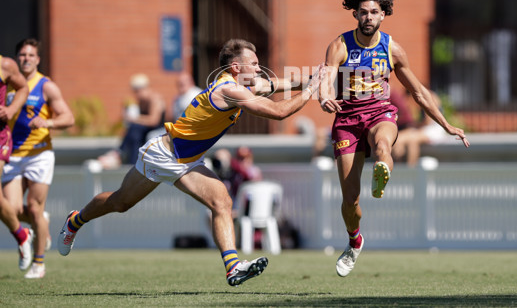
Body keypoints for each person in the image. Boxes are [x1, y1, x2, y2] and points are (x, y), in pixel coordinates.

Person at [57, 38, 324, 287]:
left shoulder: (240, 83)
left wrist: (316, 77)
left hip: (189, 160)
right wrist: (313, 88)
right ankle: (75, 221)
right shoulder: (229, 90)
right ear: (236, 67)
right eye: (253, 64)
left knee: (222, 201)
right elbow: (279, 112)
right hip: (163, 155)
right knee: (120, 203)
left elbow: (275, 84)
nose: (258, 68)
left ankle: (233, 267)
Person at [319, 0, 469, 278]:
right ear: (355, 14)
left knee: (383, 147)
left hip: (379, 112)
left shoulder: (392, 49)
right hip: (347, 120)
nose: (369, 17)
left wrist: (446, 124)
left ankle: (381, 174)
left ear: (383, 14)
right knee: (350, 201)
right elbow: (327, 76)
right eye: (363, 12)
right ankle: (355, 240)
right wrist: (324, 96)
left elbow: (420, 93)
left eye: (374, 12)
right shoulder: (339, 45)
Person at [3, 39, 75, 279]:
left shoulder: (46, 86)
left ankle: (39, 263)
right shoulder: (8, 84)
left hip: (39, 154)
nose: (26, 59)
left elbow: (68, 117)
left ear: (38, 59)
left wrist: (49, 122)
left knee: (34, 206)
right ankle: (39, 223)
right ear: (16, 58)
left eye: (30, 55)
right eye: (22, 54)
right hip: (12, 153)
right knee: (10, 208)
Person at [0, 53, 33, 274]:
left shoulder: (5, 65)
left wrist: (11, 110)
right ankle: (23, 233)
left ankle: (22, 236)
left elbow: (22, 88)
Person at [97, 73, 166, 167]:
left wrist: (134, 119)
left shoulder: (155, 99)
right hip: (145, 130)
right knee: (134, 133)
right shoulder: (141, 101)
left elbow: (154, 121)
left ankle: (120, 154)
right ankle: (130, 161)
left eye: (137, 91)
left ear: (145, 88)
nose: (136, 95)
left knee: (135, 128)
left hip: (158, 129)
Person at [392, 90, 449, 166]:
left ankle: (409, 168)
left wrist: (415, 126)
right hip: (427, 128)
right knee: (401, 139)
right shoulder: (421, 97)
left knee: (411, 139)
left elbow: (427, 121)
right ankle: (400, 166)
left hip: (434, 129)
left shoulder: (428, 97)